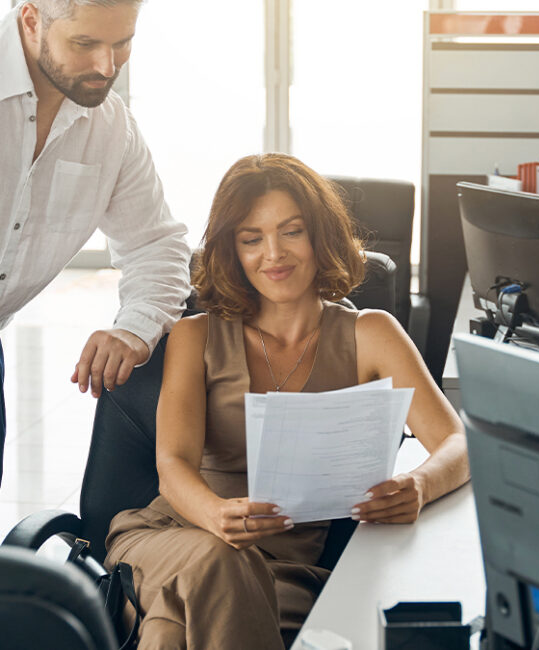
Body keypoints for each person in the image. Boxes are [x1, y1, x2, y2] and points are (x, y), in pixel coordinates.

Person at [104, 153, 470, 649]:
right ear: (233, 251)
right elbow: (172, 465)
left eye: (291, 231)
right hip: (175, 535)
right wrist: (216, 517)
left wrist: (419, 485)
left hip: (287, 568)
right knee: (218, 562)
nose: (272, 254)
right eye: (251, 239)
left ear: (321, 235)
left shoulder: (372, 333)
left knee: (171, 627)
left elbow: (456, 441)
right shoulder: (197, 335)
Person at [0, 0, 191, 486]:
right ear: (30, 20)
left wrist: (136, 327)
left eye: (122, 43)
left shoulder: (111, 127)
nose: (107, 67)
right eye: (85, 44)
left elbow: (155, 245)